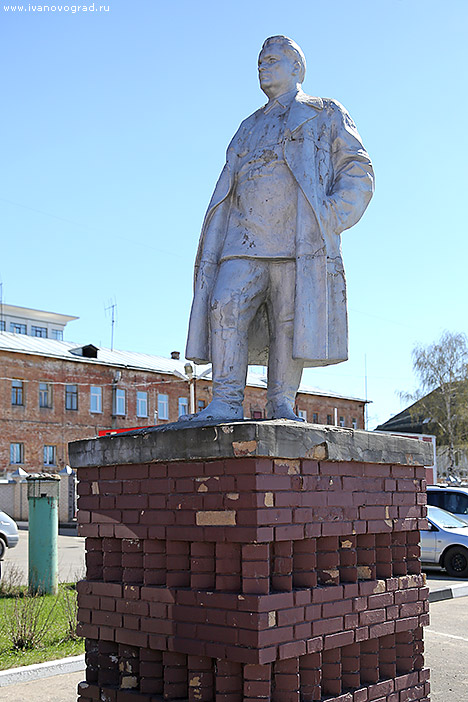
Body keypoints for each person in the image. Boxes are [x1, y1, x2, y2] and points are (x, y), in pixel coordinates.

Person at [185, 35, 374, 422]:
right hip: (242, 237)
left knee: (290, 321)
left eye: (271, 60)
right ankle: (225, 401)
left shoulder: (323, 111)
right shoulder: (247, 126)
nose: (262, 67)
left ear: (296, 68)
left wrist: (332, 214)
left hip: (297, 237)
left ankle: (281, 403)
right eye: (259, 62)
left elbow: (358, 167)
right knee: (225, 305)